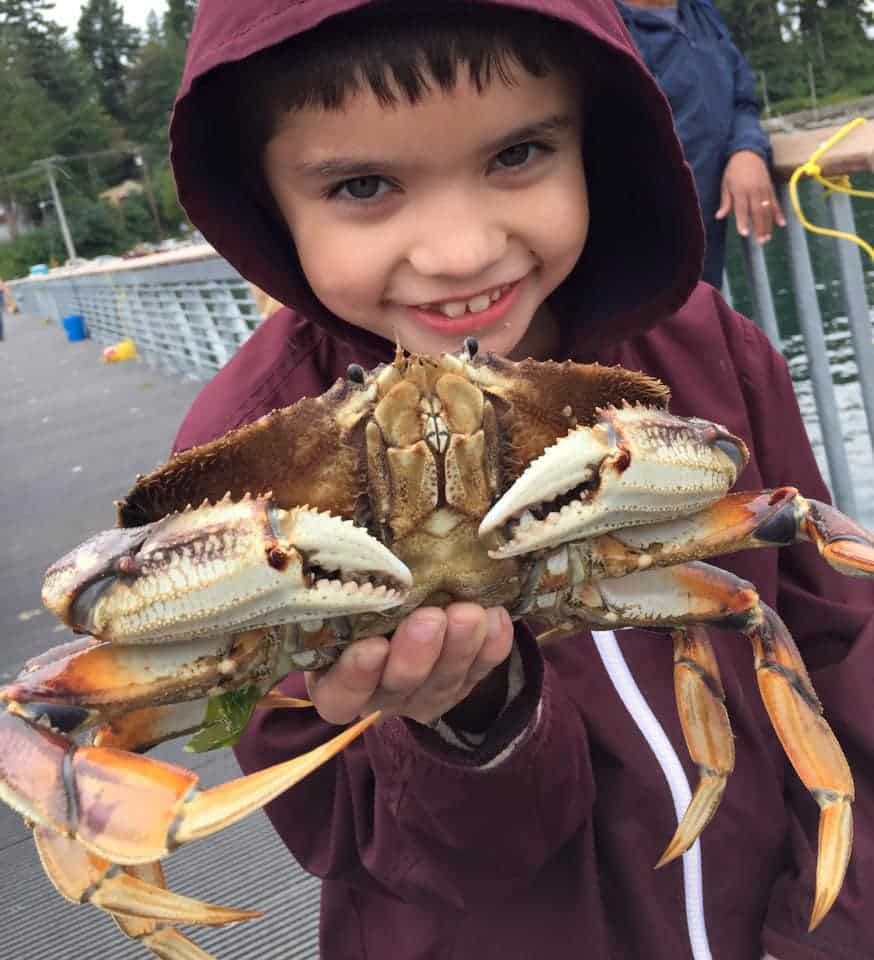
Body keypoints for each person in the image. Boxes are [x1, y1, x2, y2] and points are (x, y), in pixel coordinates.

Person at [169, 2, 874, 957]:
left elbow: (839, 641)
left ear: (595, 136)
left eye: (516, 156)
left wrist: (835, 927)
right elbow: (368, 847)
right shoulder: (240, 470)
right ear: (262, 201)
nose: (460, 253)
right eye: (364, 184)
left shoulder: (706, 353)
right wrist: (466, 729)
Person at [617, 0, 786, 287]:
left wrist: (747, 150)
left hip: (702, 272)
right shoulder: (597, 28)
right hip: (634, 278)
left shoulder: (702, 13)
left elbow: (743, 98)